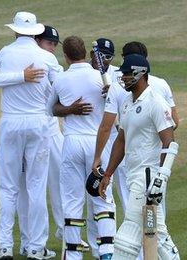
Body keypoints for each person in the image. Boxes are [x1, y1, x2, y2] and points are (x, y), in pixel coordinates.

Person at [0, 24, 67, 256]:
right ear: (35, 33)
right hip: (38, 123)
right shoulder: (46, 57)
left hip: (11, 123)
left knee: (8, 187)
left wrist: (19, 77)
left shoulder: (4, 52)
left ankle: (4, 246)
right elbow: (61, 85)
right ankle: (35, 247)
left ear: (15, 32)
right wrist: (25, 77)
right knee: (36, 185)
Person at [98, 54, 180, 260]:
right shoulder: (127, 102)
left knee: (128, 236)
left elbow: (169, 143)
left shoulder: (155, 102)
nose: (123, 78)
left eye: (127, 74)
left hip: (148, 178)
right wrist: (108, 173)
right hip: (134, 174)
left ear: (140, 73)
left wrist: (161, 178)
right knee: (157, 233)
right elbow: (121, 140)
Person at [49, 36, 115, 260]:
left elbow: (52, 110)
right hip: (98, 144)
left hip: (72, 143)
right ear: (86, 53)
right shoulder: (101, 78)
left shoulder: (60, 79)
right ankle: (107, 251)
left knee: (72, 200)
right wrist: (109, 93)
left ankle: (74, 255)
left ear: (65, 56)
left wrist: (69, 109)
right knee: (102, 197)